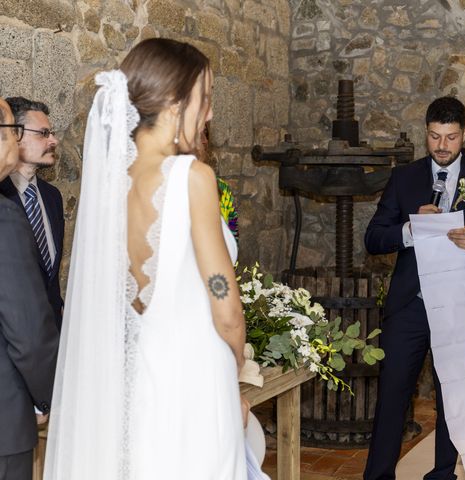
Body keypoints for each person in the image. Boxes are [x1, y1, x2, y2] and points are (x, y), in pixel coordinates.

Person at [44, 38, 266, 479]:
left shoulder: (110, 183)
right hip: (197, 370)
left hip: (142, 368)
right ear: (172, 103)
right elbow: (226, 310)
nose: (210, 114)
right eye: (205, 100)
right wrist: (235, 365)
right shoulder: (191, 178)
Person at [363, 96, 465, 480]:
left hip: (458, 306)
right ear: (426, 134)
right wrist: (410, 229)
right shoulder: (404, 178)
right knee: (392, 399)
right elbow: (373, 238)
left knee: (453, 397)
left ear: (464, 134)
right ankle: (378, 476)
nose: (442, 146)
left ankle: (442, 475)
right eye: (434, 137)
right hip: (409, 307)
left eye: (450, 137)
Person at [0, 97, 59, 480]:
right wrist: (48, 392)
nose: (52, 140)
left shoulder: (52, 200)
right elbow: (24, 324)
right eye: (14, 130)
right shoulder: (5, 210)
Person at [0, 97, 64, 331]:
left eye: (52, 133)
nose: (53, 140)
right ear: (15, 135)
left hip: (53, 333)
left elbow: (50, 274)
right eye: (43, 133)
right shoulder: (2, 198)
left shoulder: (53, 197)